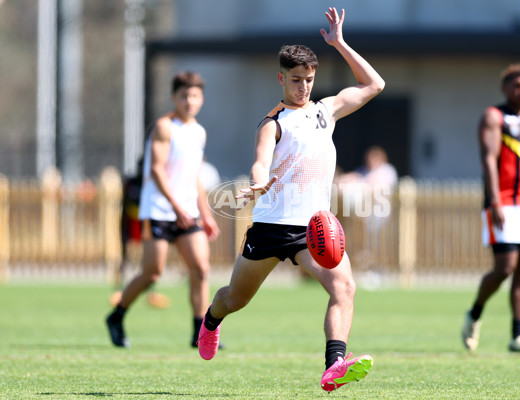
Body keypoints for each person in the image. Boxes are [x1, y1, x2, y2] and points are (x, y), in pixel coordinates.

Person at [197, 7, 384, 392]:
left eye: (309, 80)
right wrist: (258, 183)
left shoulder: (325, 111)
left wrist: (341, 44)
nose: (304, 87)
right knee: (235, 298)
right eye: (296, 80)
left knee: (344, 287)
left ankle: (334, 365)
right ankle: (212, 320)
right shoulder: (273, 123)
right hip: (269, 229)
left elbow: (374, 85)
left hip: (314, 229)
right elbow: (260, 162)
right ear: (281, 78)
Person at [106, 71, 220, 348]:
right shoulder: (164, 127)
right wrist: (176, 206)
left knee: (201, 269)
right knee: (152, 273)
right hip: (158, 210)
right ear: (174, 98)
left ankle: (199, 334)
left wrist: (204, 214)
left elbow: (195, 176)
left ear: (201, 99)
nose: (189, 101)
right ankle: (117, 316)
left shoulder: (199, 132)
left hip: (187, 212)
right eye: (184, 96)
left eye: (194, 96)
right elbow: (157, 170)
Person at [461, 64, 520, 354]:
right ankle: (474, 314)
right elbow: (489, 159)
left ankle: (518, 334)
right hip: (504, 203)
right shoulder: (494, 116)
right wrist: (496, 200)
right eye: (516, 85)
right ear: (505, 88)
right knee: (505, 267)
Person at [109, 157, 172, 309]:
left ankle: (151, 290)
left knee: (150, 259)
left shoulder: (151, 183)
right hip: (130, 220)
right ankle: (120, 285)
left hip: (146, 221)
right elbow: (125, 202)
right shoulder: (130, 182)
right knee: (125, 254)